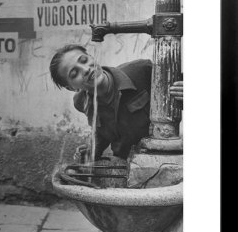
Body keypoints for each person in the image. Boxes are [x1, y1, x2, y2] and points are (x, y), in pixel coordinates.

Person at [49, 44, 183, 163]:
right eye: (74, 73)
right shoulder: (81, 102)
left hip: (163, 159)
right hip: (124, 164)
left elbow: (178, 91)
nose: (85, 69)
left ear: (91, 57)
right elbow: (104, 128)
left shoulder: (142, 71)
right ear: (72, 88)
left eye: (84, 60)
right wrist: (93, 149)